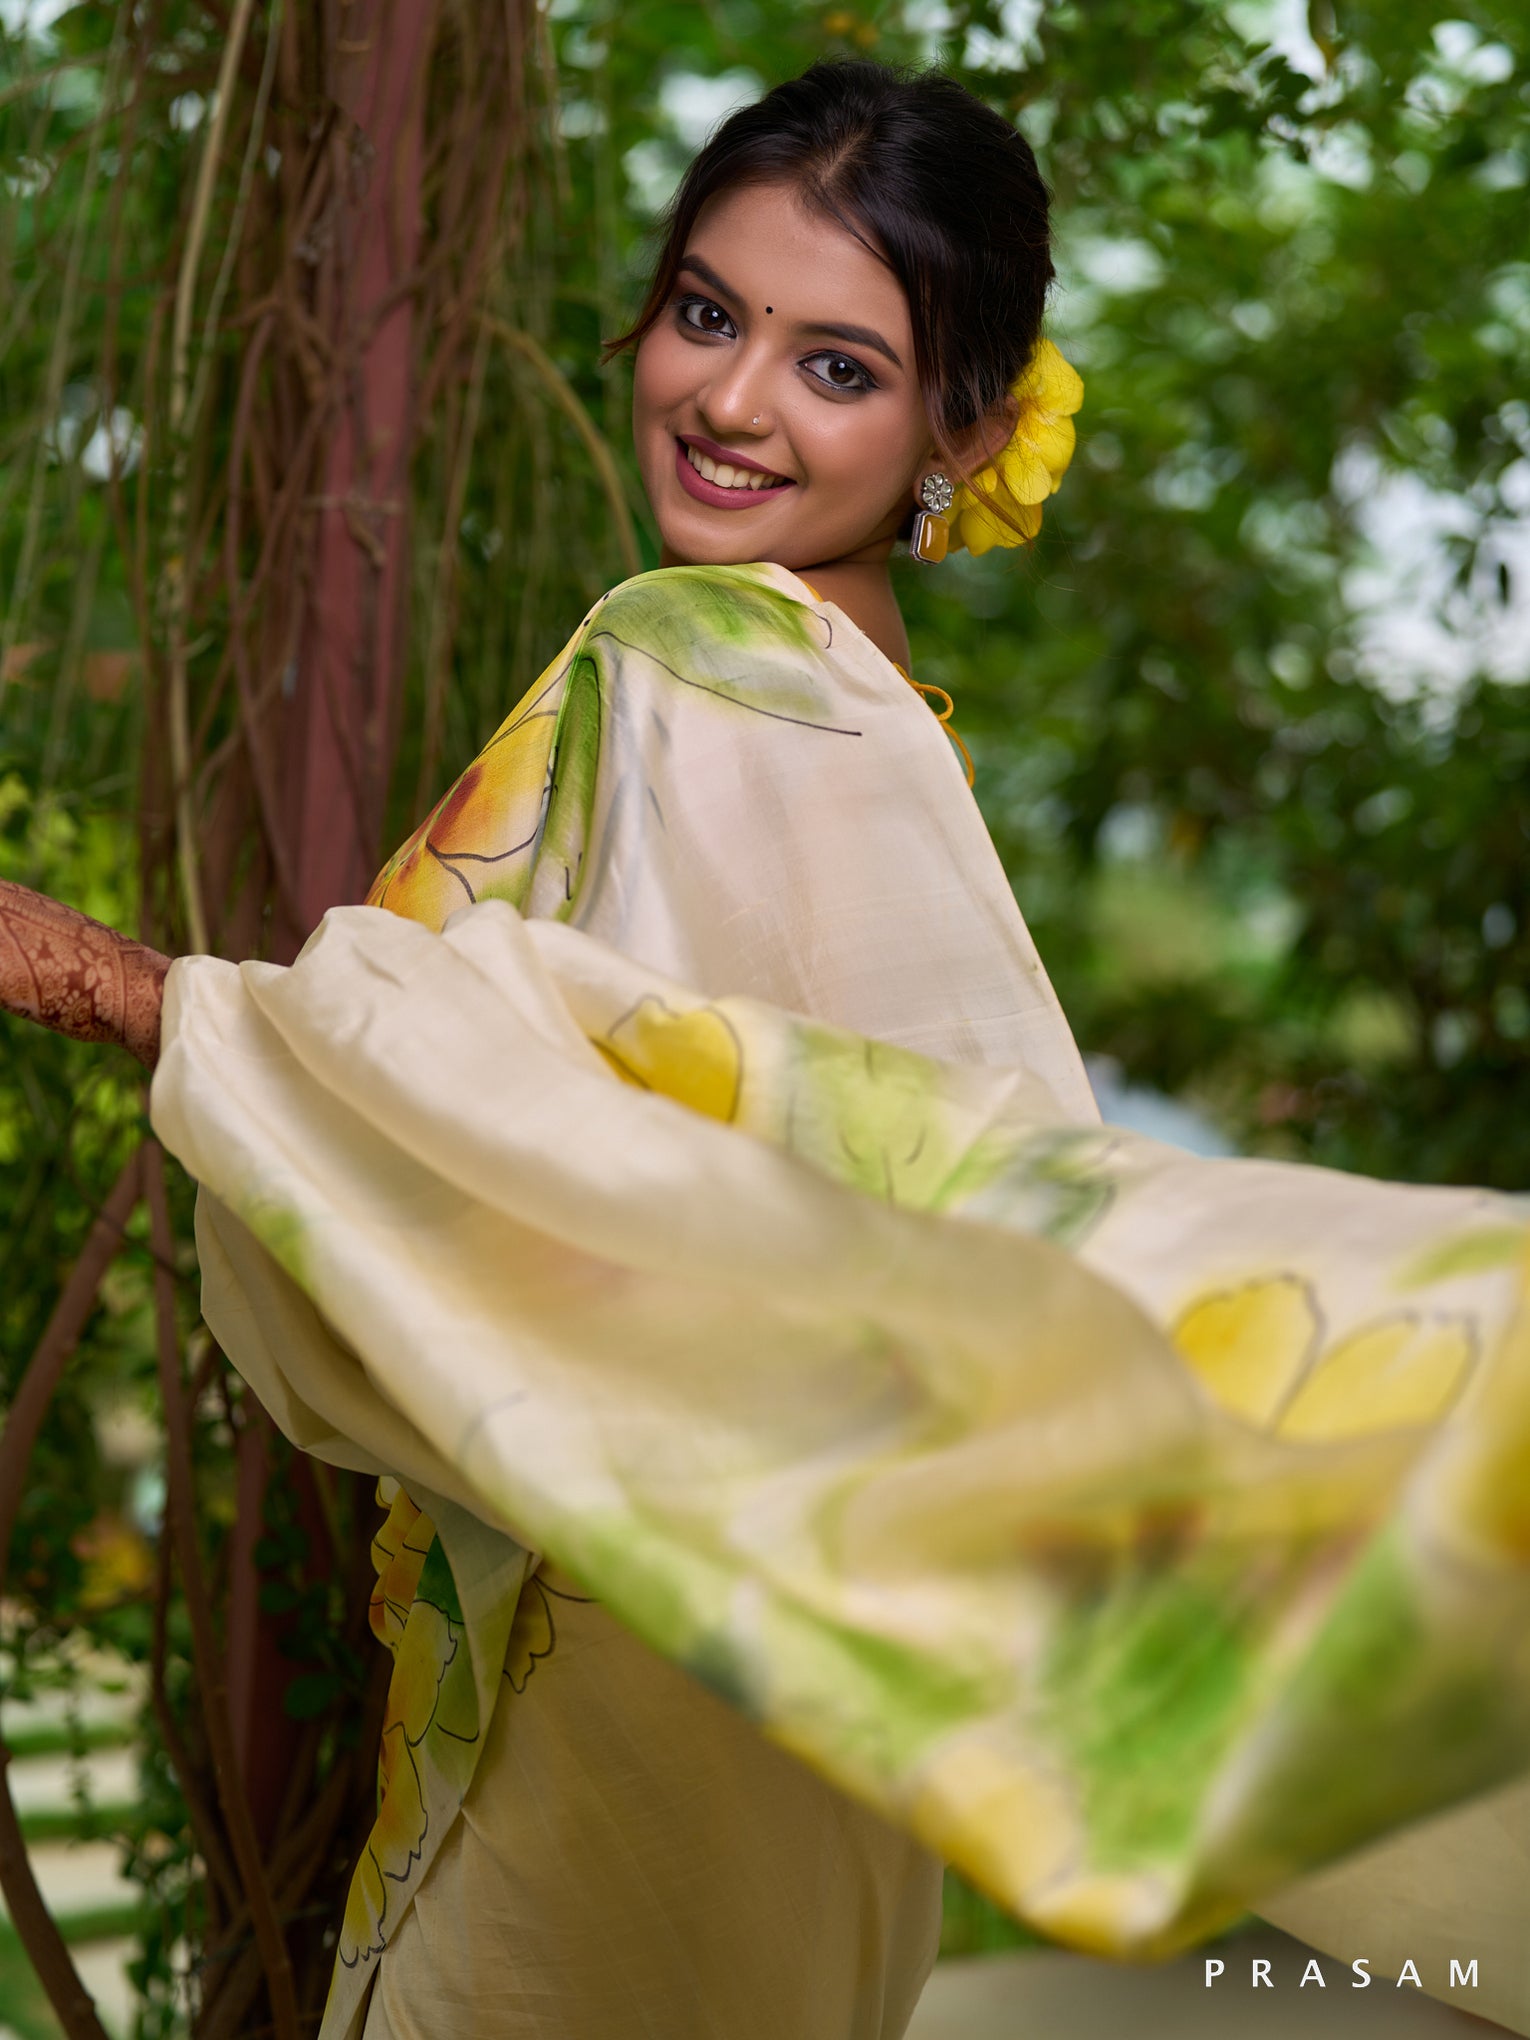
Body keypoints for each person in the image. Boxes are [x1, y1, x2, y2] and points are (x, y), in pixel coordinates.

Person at [3, 57, 1528, 2040]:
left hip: (626, 1680)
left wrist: (123, 985)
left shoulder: (698, 659)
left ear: (960, 429)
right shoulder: (872, 710)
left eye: (838, 365)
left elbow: (521, 1126)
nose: (727, 401)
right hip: (783, 1686)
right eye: (712, 316)